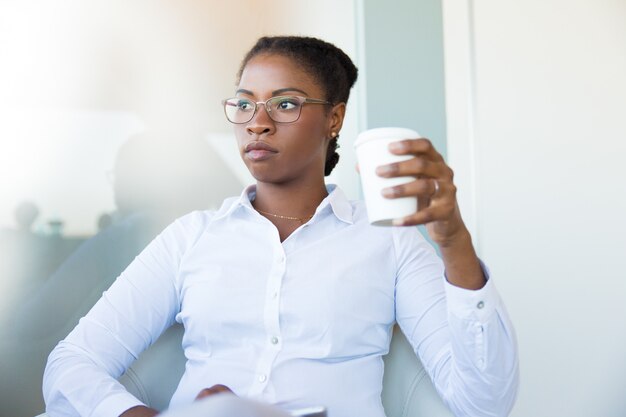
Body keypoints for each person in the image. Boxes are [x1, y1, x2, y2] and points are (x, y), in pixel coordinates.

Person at [43, 36, 519, 417]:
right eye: (245, 104)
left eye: (285, 105)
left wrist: (454, 241)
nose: (258, 123)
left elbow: (483, 402)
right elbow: (72, 364)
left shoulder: (388, 242)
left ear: (334, 118)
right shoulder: (192, 237)